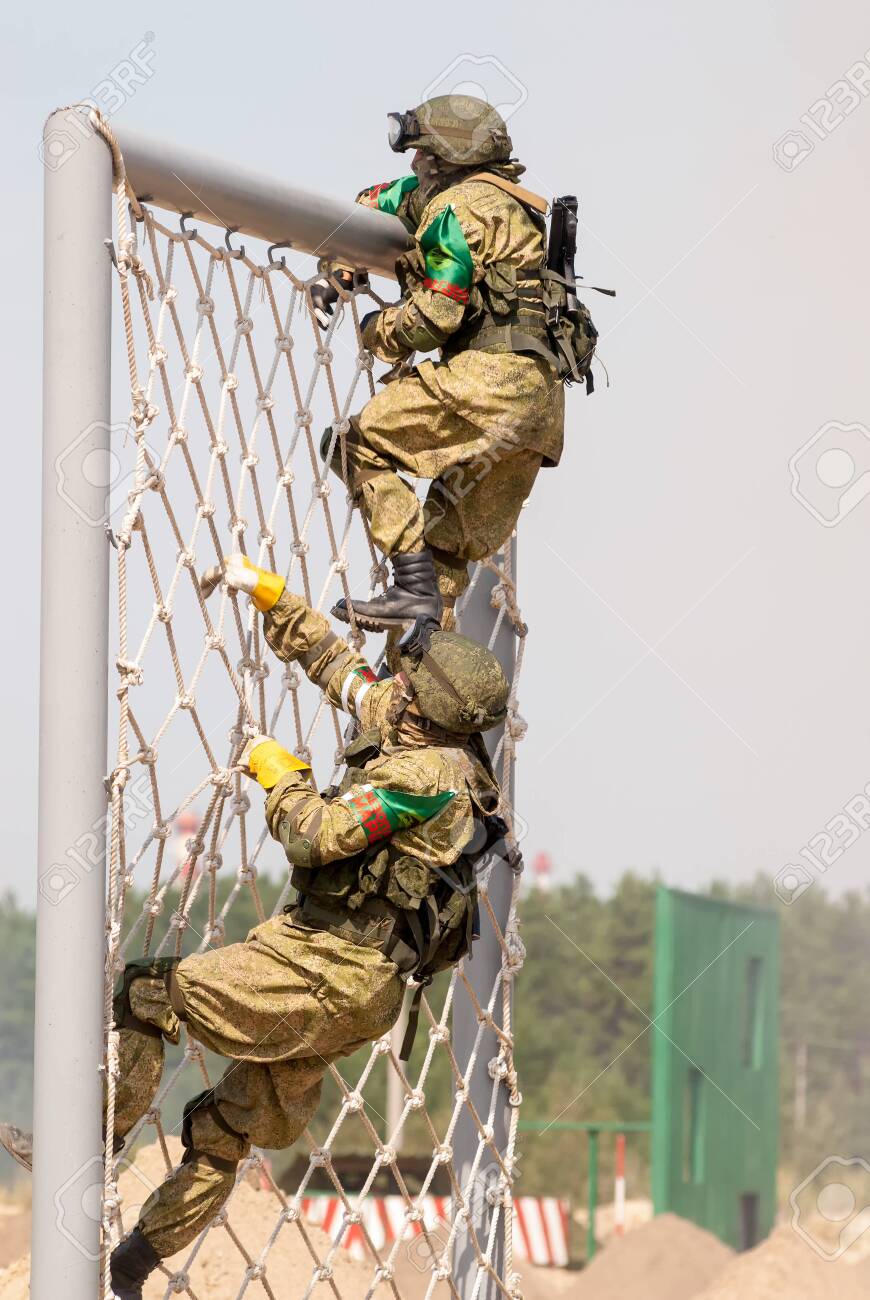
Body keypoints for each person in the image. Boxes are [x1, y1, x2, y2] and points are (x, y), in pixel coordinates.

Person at [1, 555, 512, 1299]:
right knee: (226, 1130)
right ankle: (129, 1271)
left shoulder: (424, 777)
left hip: (327, 971)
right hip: (358, 989)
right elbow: (340, 670)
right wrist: (278, 603)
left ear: (427, 708)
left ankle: (91, 1145)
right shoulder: (427, 737)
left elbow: (317, 836)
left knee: (151, 991)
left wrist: (283, 775)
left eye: (406, 681)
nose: (393, 682)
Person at [315, 94, 580, 632]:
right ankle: (426, 681)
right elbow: (380, 201)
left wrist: (377, 333)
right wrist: (346, 261)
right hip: (540, 409)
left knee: (355, 443)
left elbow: (438, 311)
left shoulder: (452, 210)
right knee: (445, 553)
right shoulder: (505, 203)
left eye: (419, 155)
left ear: (441, 160)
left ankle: (410, 590)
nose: (412, 165)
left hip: (488, 384)